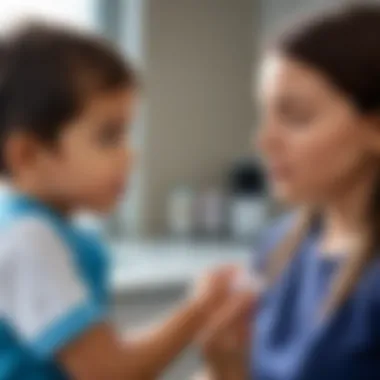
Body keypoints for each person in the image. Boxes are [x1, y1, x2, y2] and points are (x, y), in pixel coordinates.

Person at [0, 23, 253, 380]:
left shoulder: (41, 230)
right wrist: (197, 310)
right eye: (108, 137)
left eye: (126, 134)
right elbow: (110, 372)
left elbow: (102, 354)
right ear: (27, 155)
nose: (129, 155)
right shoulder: (29, 241)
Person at [198, 2, 380, 380]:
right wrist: (225, 367)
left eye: (295, 117)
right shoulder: (277, 247)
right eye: (264, 114)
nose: (264, 141)